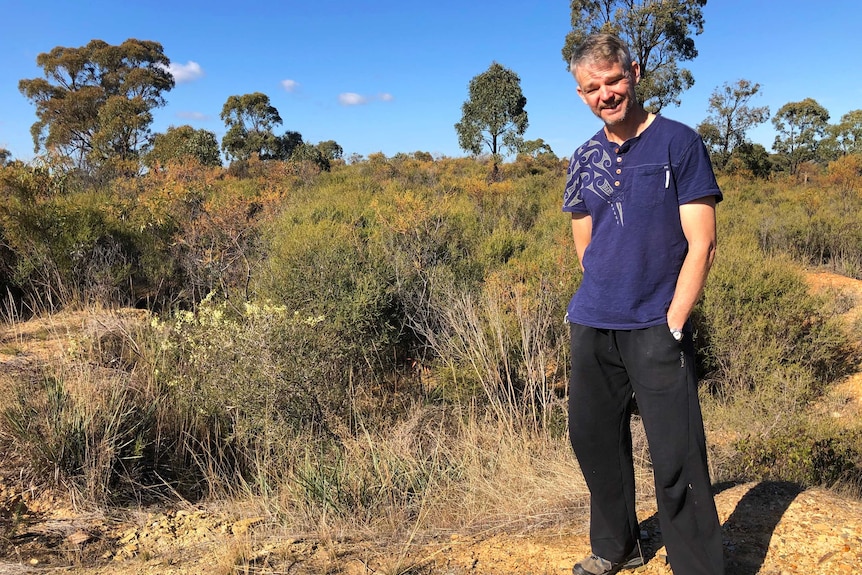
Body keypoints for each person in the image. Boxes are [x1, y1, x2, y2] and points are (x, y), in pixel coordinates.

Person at [562, 33, 725, 575]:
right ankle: (616, 546)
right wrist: (602, 289)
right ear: (581, 93)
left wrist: (675, 317)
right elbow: (585, 239)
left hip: (657, 321)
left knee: (676, 452)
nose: (605, 94)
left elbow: (701, 241)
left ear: (633, 72)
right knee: (594, 441)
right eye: (592, 87)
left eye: (613, 80)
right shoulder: (583, 156)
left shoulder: (679, 143)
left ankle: (697, 565)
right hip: (593, 322)